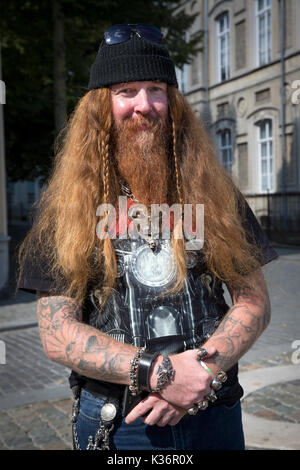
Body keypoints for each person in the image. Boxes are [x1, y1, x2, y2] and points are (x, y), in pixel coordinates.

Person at [17, 24, 278, 451]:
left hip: (213, 415)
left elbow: (255, 302)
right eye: (126, 91)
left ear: (173, 103)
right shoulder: (65, 206)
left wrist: (200, 376)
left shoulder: (214, 190)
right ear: (102, 106)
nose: (144, 105)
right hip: (119, 425)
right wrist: (162, 375)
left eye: (156, 88)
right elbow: (57, 332)